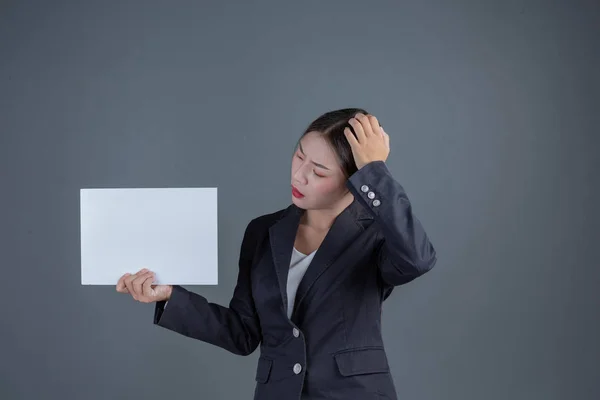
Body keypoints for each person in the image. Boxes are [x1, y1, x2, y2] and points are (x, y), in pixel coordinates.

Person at [116, 108, 437, 400]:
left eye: (320, 172)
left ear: (353, 181)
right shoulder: (263, 232)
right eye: (299, 157)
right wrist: (168, 296)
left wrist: (375, 171)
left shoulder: (377, 233)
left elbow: (418, 258)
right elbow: (242, 333)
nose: (299, 176)